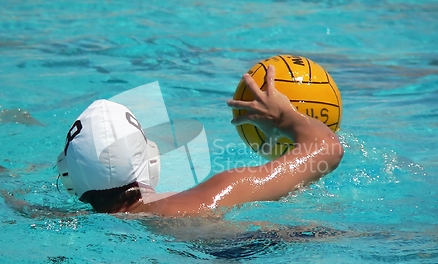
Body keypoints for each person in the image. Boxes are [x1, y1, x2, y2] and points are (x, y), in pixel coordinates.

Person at [56, 65, 343, 217]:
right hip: (252, 255)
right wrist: (285, 117)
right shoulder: (209, 197)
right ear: (149, 156)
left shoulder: (59, 219)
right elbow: (327, 148)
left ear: (69, 178)